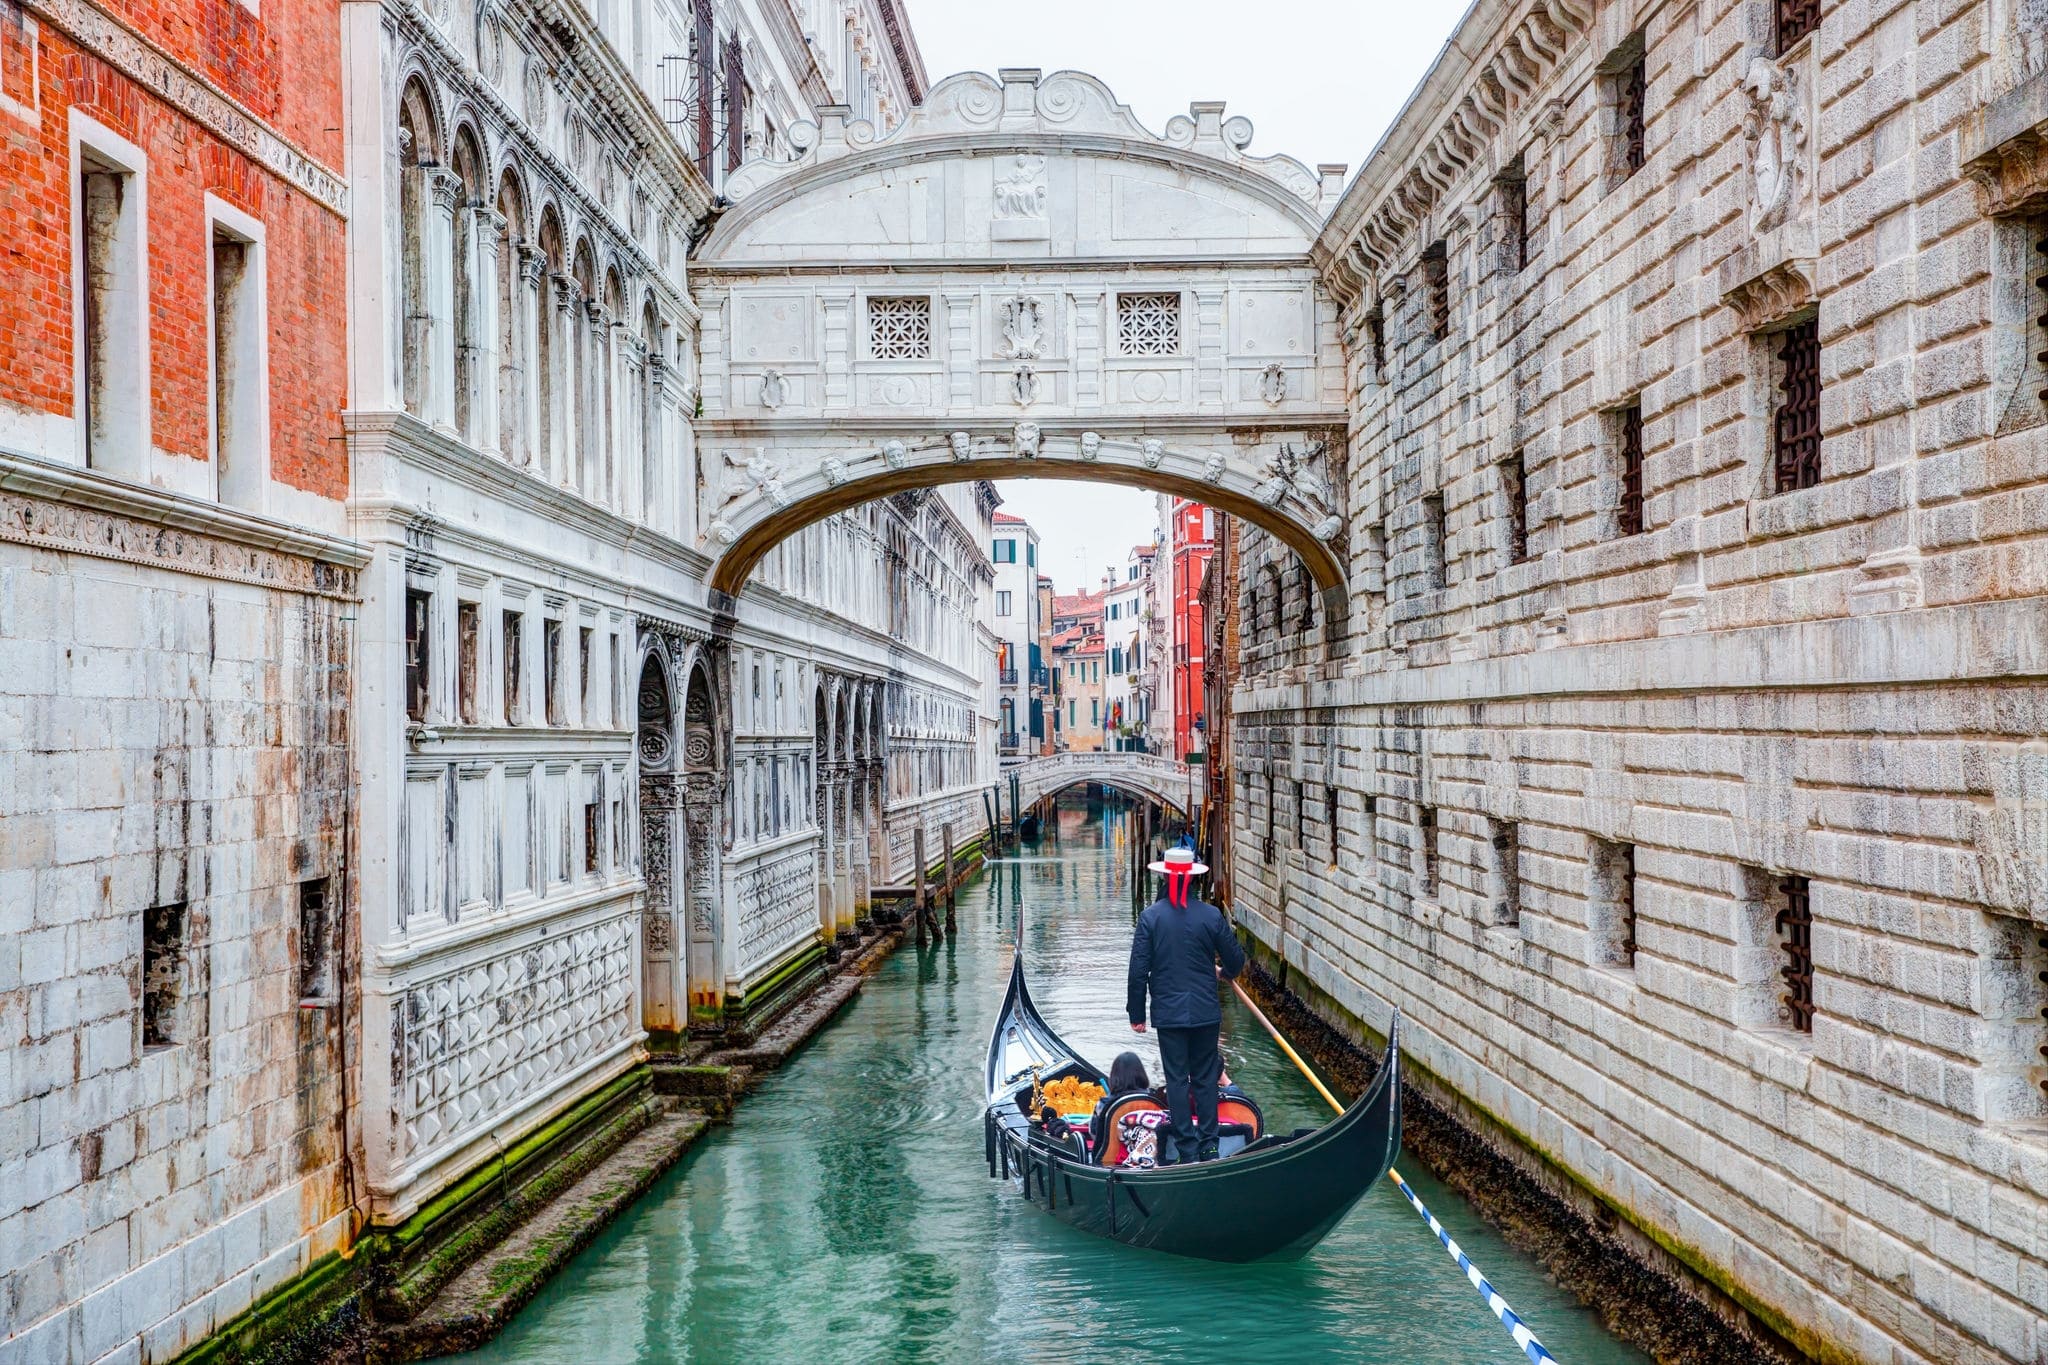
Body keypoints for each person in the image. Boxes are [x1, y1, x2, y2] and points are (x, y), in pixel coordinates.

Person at [1126, 843, 1245, 1163]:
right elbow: (1236, 958)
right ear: (1192, 879)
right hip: (1205, 1011)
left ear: (1166, 877)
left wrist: (1136, 1014)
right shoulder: (1211, 915)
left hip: (1169, 1014)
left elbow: (1138, 970)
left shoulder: (1150, 918)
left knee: (1177, 1079)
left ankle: (1188, 1148)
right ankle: (1209, 1145)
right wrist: (1226, 972)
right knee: (1205, 1077)